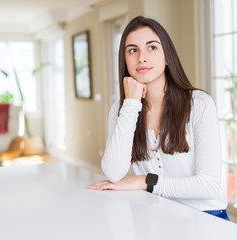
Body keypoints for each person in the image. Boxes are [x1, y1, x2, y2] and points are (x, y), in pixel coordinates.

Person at [87, 16, 229, 220]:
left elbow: (209, 186)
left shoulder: (199, 104)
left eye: (152, 48)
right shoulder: (122, 109)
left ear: (167, 56)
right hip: (156, 218)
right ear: (125, 60)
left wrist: (145, 181)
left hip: (206, 218)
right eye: (133, 50)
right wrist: (131, 104)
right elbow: (114, 173)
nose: (142, 58)